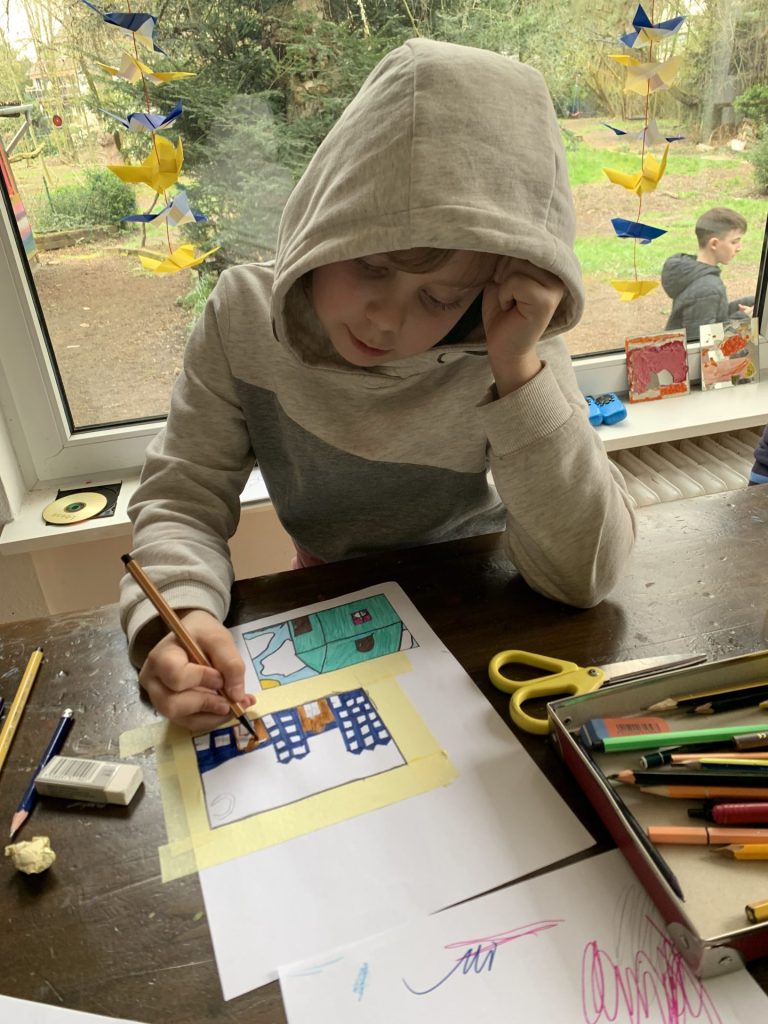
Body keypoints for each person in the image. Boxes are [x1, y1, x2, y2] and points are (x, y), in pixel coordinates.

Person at [120, 38, 636, 731]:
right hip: (327, 602)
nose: (386, 321)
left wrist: (517, 371)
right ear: (327, 221)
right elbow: (183, 493)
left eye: (439, 298)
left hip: (489, 610)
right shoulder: (241, 317)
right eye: (370, 266)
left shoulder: (509, 339)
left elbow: (586, 576)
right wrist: (177, 615)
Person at [661, 207, 754, 340]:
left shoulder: (694, 273)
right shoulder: (708, 289)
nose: (739, 248)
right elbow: (704, 344)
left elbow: (714, 315)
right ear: (714, 244)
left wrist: (753, 301)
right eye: (734, 242)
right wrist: (745, 318)